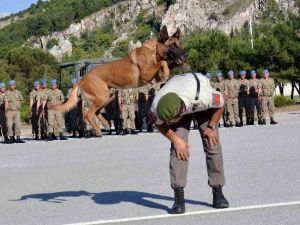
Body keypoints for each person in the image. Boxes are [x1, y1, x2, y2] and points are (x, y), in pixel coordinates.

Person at [150, 72, 229, 214]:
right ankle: (178, 196)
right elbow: (159, 123)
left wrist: (212, 127)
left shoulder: (204, 96)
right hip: (178, 93)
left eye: (170, 121)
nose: (167, 124)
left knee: (212, 143)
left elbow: (222, 102)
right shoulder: (158, 105)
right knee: (178, 148)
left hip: (198, 98)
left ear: (179, 113)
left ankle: (218, 191)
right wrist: (175, 139)